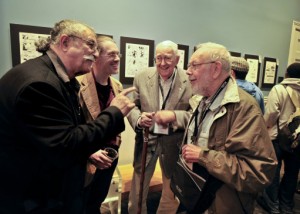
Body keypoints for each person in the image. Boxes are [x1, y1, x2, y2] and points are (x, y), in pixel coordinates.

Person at [0, 19, 135, 214]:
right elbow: (66, 145)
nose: (95, 54)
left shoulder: (56, 78)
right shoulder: (40, 85)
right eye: (90, 45)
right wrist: (114, 112)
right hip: (31, 199)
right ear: (64, 43)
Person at [155, 42, 277, 213]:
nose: (188, 71)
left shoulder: (244, 108)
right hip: (197, 196)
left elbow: (259, 172)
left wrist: (203, 156)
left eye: (194, 65)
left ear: (216, 69)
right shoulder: (201, 100)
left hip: (223, 204)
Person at [127, 40, 192, 214]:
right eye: (159, 58)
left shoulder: (190, 80)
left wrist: (174, 116)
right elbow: (132, 106)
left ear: (177, 59)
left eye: (167, 58)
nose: (162, 63)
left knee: (170, 195)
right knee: (137, 195)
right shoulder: (141, 76)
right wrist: (139, 119)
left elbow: (195, 115)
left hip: (174, 143)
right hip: (147, 140)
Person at [76, 35, 124, 214]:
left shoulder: (117, 86)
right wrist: (89, 151)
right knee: (82, 203)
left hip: (110, 155)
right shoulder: (78, 85)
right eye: (112, 54)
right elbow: (73, 127)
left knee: (97, 199)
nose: (117, 58)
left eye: (118, 54)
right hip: (87, 157)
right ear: (96, 56)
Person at [256, 62, 300, 214]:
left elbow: (271, 114)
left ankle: (273, 205)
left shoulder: (279, 89)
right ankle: (286, 205)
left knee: (273, 172)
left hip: (277, 138)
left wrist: (265, 127)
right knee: (292, 173)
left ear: (287, 74)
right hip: (297, 140)